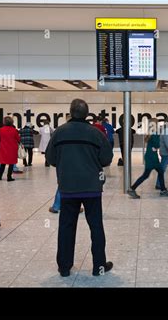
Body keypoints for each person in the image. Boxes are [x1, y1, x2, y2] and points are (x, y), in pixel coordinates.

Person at [46, 99, 113, 278]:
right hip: (92, 187)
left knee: (66, 226)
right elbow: (107, 158)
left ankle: (64, 267)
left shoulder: (59, 133)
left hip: (67, 188)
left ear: (70, 111)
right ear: (87, 114)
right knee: (96, 226)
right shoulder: (96, 133)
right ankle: (99, 266)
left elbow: (51, 158)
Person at [127, 119, 168, 199]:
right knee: (146, 175)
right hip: (152, 158)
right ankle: (132, 188)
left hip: (151, 156)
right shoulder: (155, 133)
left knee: (160, 171)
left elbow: (155, 145)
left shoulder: (150, 133)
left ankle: (163, 190)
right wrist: (157, 147)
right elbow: (157, 144)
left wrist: (156, 148)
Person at [0, 116, 20, 181]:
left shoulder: (0, 129)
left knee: (3, 163)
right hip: (12, 149)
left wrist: (2, 142)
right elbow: (18, 139)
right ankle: (9, 177)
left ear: (4, 122)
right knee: (11, 164)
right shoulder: (14, 130)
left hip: (3, 148)